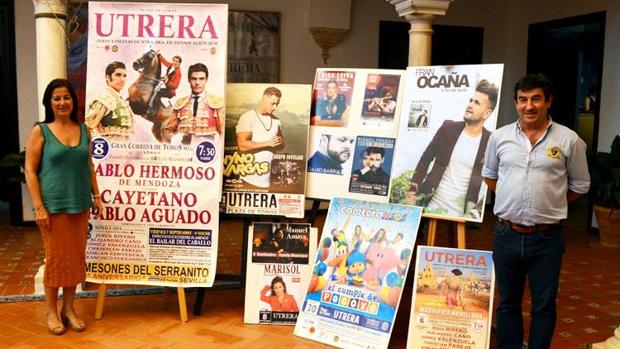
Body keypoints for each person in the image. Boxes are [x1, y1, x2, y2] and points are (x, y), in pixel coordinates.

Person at [482, 73, 590, 349]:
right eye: (523, 100)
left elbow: (580, 184)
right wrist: (511, 198)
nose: (529, 106)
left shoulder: (569, 140)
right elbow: (490, 176)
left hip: (547, 239)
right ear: (516, 103)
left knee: (543, 305)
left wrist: (551, 203)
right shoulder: (499, 137)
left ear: (548, 101)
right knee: (507, 303)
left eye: (536, 99)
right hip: (506, 234)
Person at [24, 79, 104, 335]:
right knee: (56, 260)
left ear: (73, 101)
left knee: (75, 260)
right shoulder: (41, 130)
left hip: (79, 205)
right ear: (49, 102)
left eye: (66, 97)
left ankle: (69, 308)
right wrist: (38, 206)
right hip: (53, 207)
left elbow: (89, 166)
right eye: (56, 98)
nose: (62, 102)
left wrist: (97, 196)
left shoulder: (84, 130)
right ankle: (51, 310)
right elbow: (30, 170)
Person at [405, 79, 499, 219]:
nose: (470, 105)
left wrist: (476, 210)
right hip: (429, 204)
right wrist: (412, 193)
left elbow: (493, 178)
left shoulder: (490, 141)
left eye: (477, 103)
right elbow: (425, 160)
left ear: (487, 113)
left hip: (462, 213)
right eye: (471, 100)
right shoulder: (448, 128)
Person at [235, 87, 284, 188]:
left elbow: (280, 146)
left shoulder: (276, 121)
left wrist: (280, 143)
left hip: (269, 181)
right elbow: (242, 145)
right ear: (263, 99)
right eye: (272, 103)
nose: (275, 108)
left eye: (277, 104)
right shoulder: (248, 117)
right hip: (249, 180)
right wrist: (268, 143)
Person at [171, 63, 223, 145]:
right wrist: (173, 140)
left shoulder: (216, 103)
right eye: (194, 79)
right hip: (185, 150)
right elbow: (167, 130)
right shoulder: (180, 103)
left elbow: (222, 132)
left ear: (206, 80)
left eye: (201, 79)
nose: (197, 83)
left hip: (207, 151)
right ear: (189, 80)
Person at [84, 61, 134, 139]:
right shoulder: (103, 99)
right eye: (118, 75)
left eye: (124, 76)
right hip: (108, 147)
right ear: (107, 77)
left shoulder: (121, 100)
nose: (122, 79)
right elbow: (89, 126)